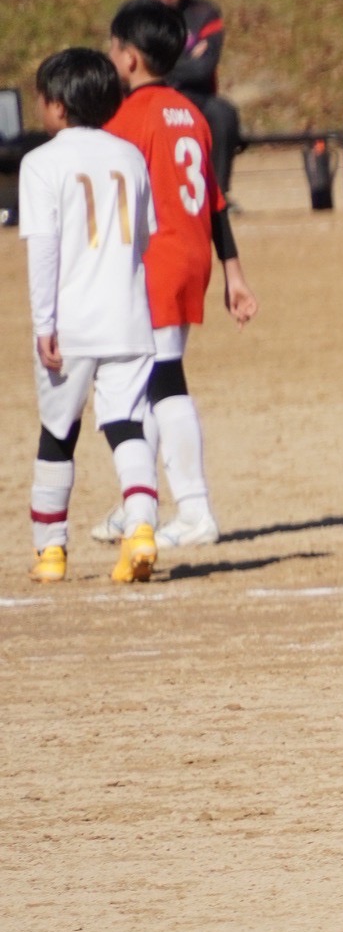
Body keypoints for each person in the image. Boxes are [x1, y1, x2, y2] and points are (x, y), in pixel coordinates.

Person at [92, 0, 260, 552]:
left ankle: (194, 509)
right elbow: (215, 202)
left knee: (161, 381)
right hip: (191, 259)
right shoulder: (190, 113)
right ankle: (136, 502)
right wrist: (233, 272)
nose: (110, 57)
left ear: (131, 57)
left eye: (114, 48)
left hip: (155, 262)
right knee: (147, 381)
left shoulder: (126, 120)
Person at [18, 49, 163, 586]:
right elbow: (144, 236)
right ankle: (141, 527)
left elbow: (43, 251)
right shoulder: (130, 156)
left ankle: (51, 549)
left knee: (58, 431)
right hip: (128, 318)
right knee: (126, 424)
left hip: (71, 323)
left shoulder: (41, 162)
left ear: (57, 104)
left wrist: (44, 324)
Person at [140, 0, 242, 195]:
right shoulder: (135, 13)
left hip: (193, 98)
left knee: (223, 114)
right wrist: (183, 60)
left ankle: (218, 195)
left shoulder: (205, 14)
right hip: (146, 98)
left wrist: (157, 63)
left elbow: (203, 69)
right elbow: (129, 64)